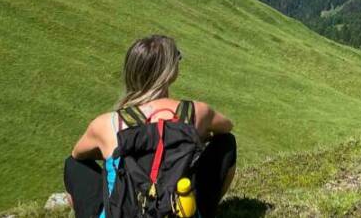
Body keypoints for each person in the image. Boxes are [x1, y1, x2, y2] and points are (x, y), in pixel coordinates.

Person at [63, 36, 237, 218]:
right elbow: (227, 127)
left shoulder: (107, 124)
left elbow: (77, 154)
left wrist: (111, 152)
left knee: (72, 165)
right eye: (177, 56)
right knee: (226, 142)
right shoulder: (196, 112)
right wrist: (199, 136)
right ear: (170, 71)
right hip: (180, 211)